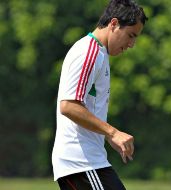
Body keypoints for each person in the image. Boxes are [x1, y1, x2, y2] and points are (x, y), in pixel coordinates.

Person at [52, 0, 148, 189]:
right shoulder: (90, 52)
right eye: (130, 35)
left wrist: (107, 137)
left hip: (86, 161)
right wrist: (113, 132)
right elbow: (68, 105)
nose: (131, 44)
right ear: (113, 24)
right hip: (81, 162)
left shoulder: (98, 54)